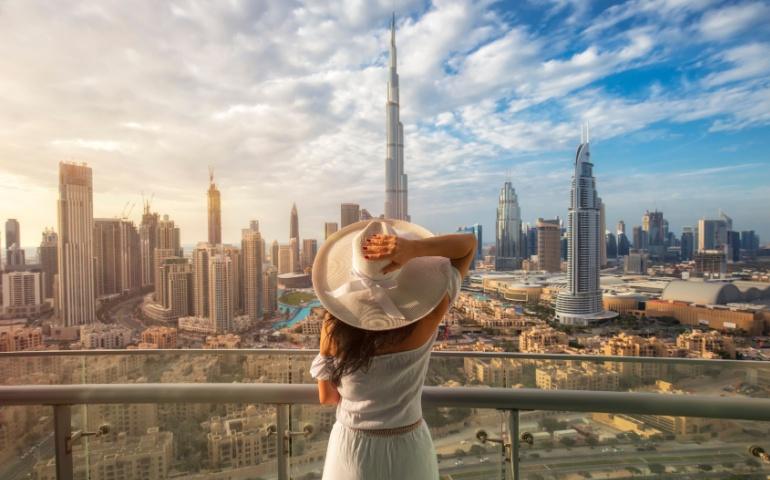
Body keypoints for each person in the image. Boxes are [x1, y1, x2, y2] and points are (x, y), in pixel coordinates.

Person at [310, 219, 475, 480]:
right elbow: (467, 245)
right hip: (408, 446)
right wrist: (413, 249)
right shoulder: (428, 315)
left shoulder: (334, 326)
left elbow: (328, 397)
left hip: (352, 449)